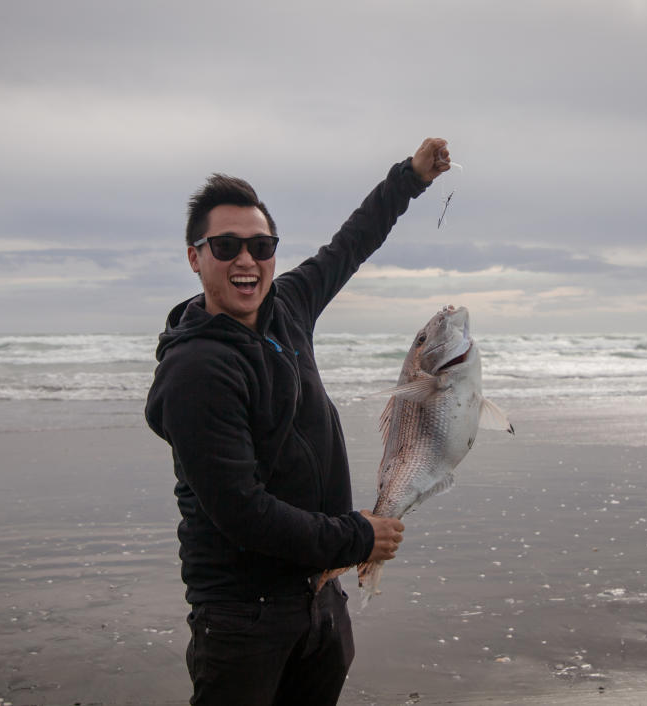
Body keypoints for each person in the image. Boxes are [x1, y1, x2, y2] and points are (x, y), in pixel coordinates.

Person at [145, 138, 452, 705]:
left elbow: (350, 245)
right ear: (195, 257)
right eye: (226, 245)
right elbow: (243, 512)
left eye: (261, 245)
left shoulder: (287, 305)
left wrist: (409, 178)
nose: (246, 259)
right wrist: (358, 535)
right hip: (244, 618)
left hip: (319, 596)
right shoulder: (196, 372)